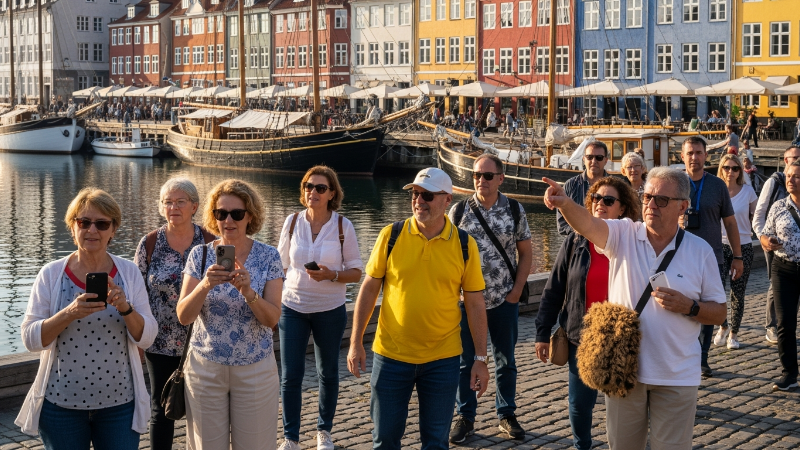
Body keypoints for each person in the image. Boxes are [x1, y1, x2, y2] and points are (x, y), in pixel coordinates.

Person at [541, 167, 727, 450]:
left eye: (661, 200)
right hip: (624, 370)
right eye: (648, 197)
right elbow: (588, 225)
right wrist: (565, 203)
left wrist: (689, 306)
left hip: (676, 374)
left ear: (683, 206)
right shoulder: (624, 233)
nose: (651, 205)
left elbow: (720, 312)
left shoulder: (699, 250)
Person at [347, 168, 489, 450]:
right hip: (391, 355)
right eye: (415, 194)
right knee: (385, 439)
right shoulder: (391, 235)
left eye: (427, 195)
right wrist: (355, 343)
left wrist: (481, 359)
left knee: (436, 443)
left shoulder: (464, 244)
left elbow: (474, 303)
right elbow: (369, 288)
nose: (418, 201)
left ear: (447, 200)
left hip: (443, 359)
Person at [15, 188, 157, 450]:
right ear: (73, 227)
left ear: (113, 230)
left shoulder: (129, 272)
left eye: (102, 224)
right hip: (61, 406)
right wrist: (69, 313)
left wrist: (125, 307)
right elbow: (31, 339)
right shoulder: (51, 274)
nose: (93, 230)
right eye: (84, 222)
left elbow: (147, 337)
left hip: (119, 406)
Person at [535, 177, 641, 450]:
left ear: (622, 209)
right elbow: (554, 288)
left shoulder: (632, 242)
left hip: (618, 339)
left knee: (621, 404)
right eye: (596, 199)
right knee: (579, 403)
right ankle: (583, 445)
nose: (600, 205)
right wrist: (542, 332)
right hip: (579, 337)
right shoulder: (575, 241)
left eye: (608, 200)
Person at [177, 180, 283, 450]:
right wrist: (205, 284)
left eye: (237, 213)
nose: (228, 220)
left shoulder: (269, 256)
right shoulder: (199, 256)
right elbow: (183, 316)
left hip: (255, 368)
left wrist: (249, 292)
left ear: (250, 216)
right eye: (221, 213)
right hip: (205, 368)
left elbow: (272, 320)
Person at [277, 167, 363, 450]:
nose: (312, 192)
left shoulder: (343, 226)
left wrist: (331, 275)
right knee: (291, 375)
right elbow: (280, 267)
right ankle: (291, 437)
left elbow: (356, 272)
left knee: (328, 373)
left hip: (330, 309)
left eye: (319, 188)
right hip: (292, 308)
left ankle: (324, 431)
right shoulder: (291, 222)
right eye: (307, 186)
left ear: (332, 194)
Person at [447, 154, 532, 443]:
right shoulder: (459, 212)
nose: (480, 180)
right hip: (467, 302)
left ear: (500, 178)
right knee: (465, 360)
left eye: (486, 175)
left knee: (505, 360)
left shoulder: (515, 210)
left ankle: (506, 413)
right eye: (476, 175)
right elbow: (447, 256)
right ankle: (466, 416)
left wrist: (517, 292)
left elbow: (526, 253)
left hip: (503, 298)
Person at [133, 178, 214, 450]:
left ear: (195, 206)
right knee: (160, 409)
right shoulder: (150, 243)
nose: (173, 207)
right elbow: (137, 292)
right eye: (168, 202)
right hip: (159, 341)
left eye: (180, 202)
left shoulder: (211, 242)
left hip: (202, 342)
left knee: (201, 410)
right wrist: (139, 338)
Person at [681, 136, 743, 378]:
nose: (694, 157)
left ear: (706, 156)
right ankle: (684, 356)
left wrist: (737, 256)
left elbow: (729, 222)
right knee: (682, 310)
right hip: (680, 257)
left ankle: (702, 359)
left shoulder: (717, 185)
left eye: (698, 152)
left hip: (711, 259)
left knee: (707, 311)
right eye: (690, 153)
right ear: (682, 156)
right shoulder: (674, 183)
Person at [753, 146, 800, 344]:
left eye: (798, 158)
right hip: (780, 256)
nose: (790, 179)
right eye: (792, 158)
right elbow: (759, 216)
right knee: (775, 288)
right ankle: (771, 326)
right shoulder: (773, 185)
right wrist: (764, 241)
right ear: (785, 160)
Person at [760, 160, 800, 390]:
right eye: (788, 175)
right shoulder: (778, 207)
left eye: (796, 176)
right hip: (783, 269)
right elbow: (765, 233)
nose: (790, 180)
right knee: (785, 323)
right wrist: (768, 242)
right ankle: (789, 374)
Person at [711, 155, 758, 350]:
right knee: (716, 291)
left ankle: (734, 333)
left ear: (740, 171)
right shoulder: (715, 190)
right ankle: (723, 325)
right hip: (719, 245)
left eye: (735, 168)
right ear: (721, 169)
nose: (731, 172)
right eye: (727, 168)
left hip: (744, 245)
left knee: (738, 292)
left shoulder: (748, 192)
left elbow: (757, 217)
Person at [556, 141, 610, 236]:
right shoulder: (570, 185)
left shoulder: (615, 186)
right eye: (590, 157)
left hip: (607, 244)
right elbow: (562, 225)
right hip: (578, 245)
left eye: (599, 157)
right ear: (584, 159)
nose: (594, 161)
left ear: (606, 160)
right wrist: (584, 232)